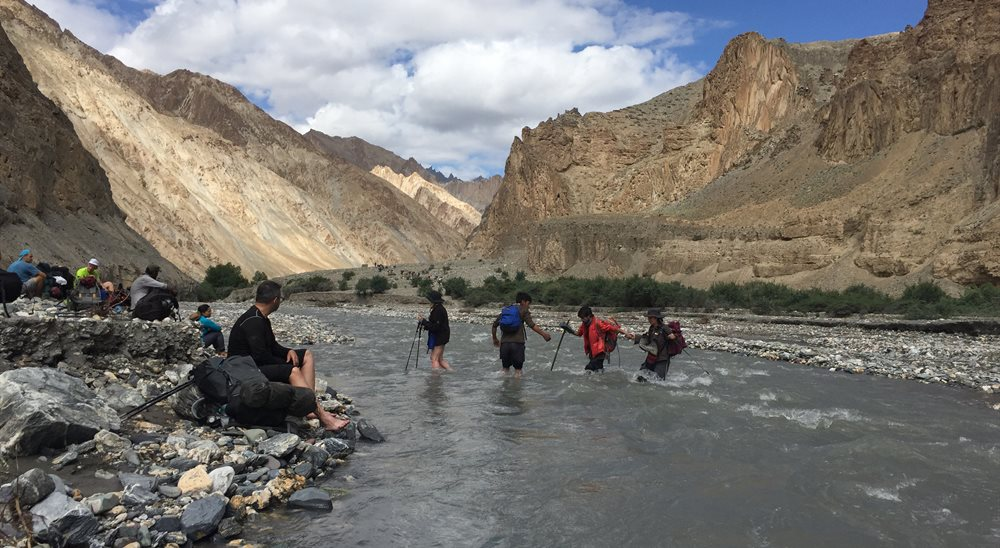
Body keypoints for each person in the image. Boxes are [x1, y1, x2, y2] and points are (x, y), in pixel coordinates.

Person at [228, 280, 348, 431]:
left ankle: (310, 407)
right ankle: (324, 417)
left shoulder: (261, 318)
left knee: (306, 355)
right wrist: (287, 366)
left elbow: (273, 347)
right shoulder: (253, 321)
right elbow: (260, 356)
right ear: (275, 300)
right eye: (281, 299)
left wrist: (288, 352)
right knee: (293, 371)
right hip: (246, 370)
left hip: (256, 363)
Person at [491, 291, 551, 378]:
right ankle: (517, 391)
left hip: (504, 345)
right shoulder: (523, 310)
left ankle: (503, 390)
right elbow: (531, 325)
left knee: (504, 370)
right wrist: (544, 334)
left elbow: (494, 325)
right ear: (523, 301)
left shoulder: (506, 310)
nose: (528, 306)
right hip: (517, 344)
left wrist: (495, 339)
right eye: (528, 303)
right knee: (518, 372)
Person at [565, 306, 628, 373]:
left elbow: (612, 328)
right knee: (597, 370)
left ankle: (589, 382)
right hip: (592, 352)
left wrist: (626, 333)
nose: (582, 320)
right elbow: (578, 334)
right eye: (581, 318)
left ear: (589, 316)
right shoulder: (584, 325)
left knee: (589, 369)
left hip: (600, 351)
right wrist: (568, 329)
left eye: (583, 318)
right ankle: (601, 382)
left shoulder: (598, 323)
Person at [626, 308, 677, 381]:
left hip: (662, 358)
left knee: (658, 380)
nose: (648, 319)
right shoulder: (652, 328)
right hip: (652, 356)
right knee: (640, 376)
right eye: (648, 318)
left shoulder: (664, 328)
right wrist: (634, 337)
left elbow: (674, 336)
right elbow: (647, 339)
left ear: (656, 318)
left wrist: (673, 337)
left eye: (650, 318)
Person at [418, 290, 451, 370]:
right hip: (443, 335)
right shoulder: (439, 308)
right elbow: (434, 325)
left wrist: (423, 322)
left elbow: (435, 327)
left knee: (434, 359)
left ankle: (435, 380)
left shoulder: (438, 310)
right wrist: (424, 324)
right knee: (439, 359)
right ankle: (452, 373)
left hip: (440, 336)